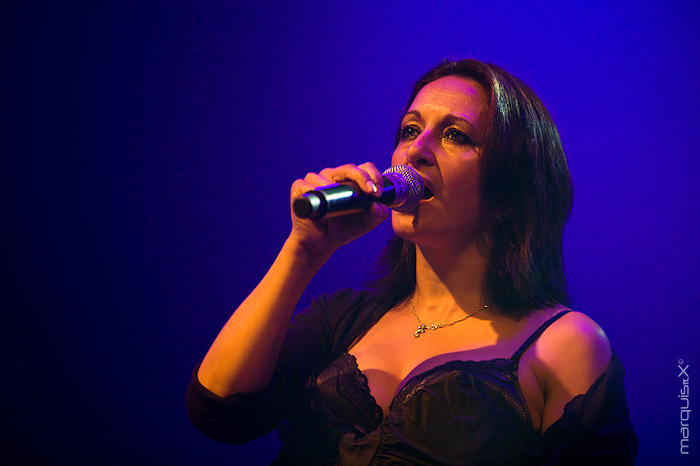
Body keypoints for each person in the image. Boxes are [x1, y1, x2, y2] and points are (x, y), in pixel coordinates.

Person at [186, 59, 638, 465]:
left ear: (507, 196)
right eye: (408, 130)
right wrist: (303, 251)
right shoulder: (343, 319)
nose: (415, 150)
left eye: (454, 135)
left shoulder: (562, 346)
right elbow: (218, 410)